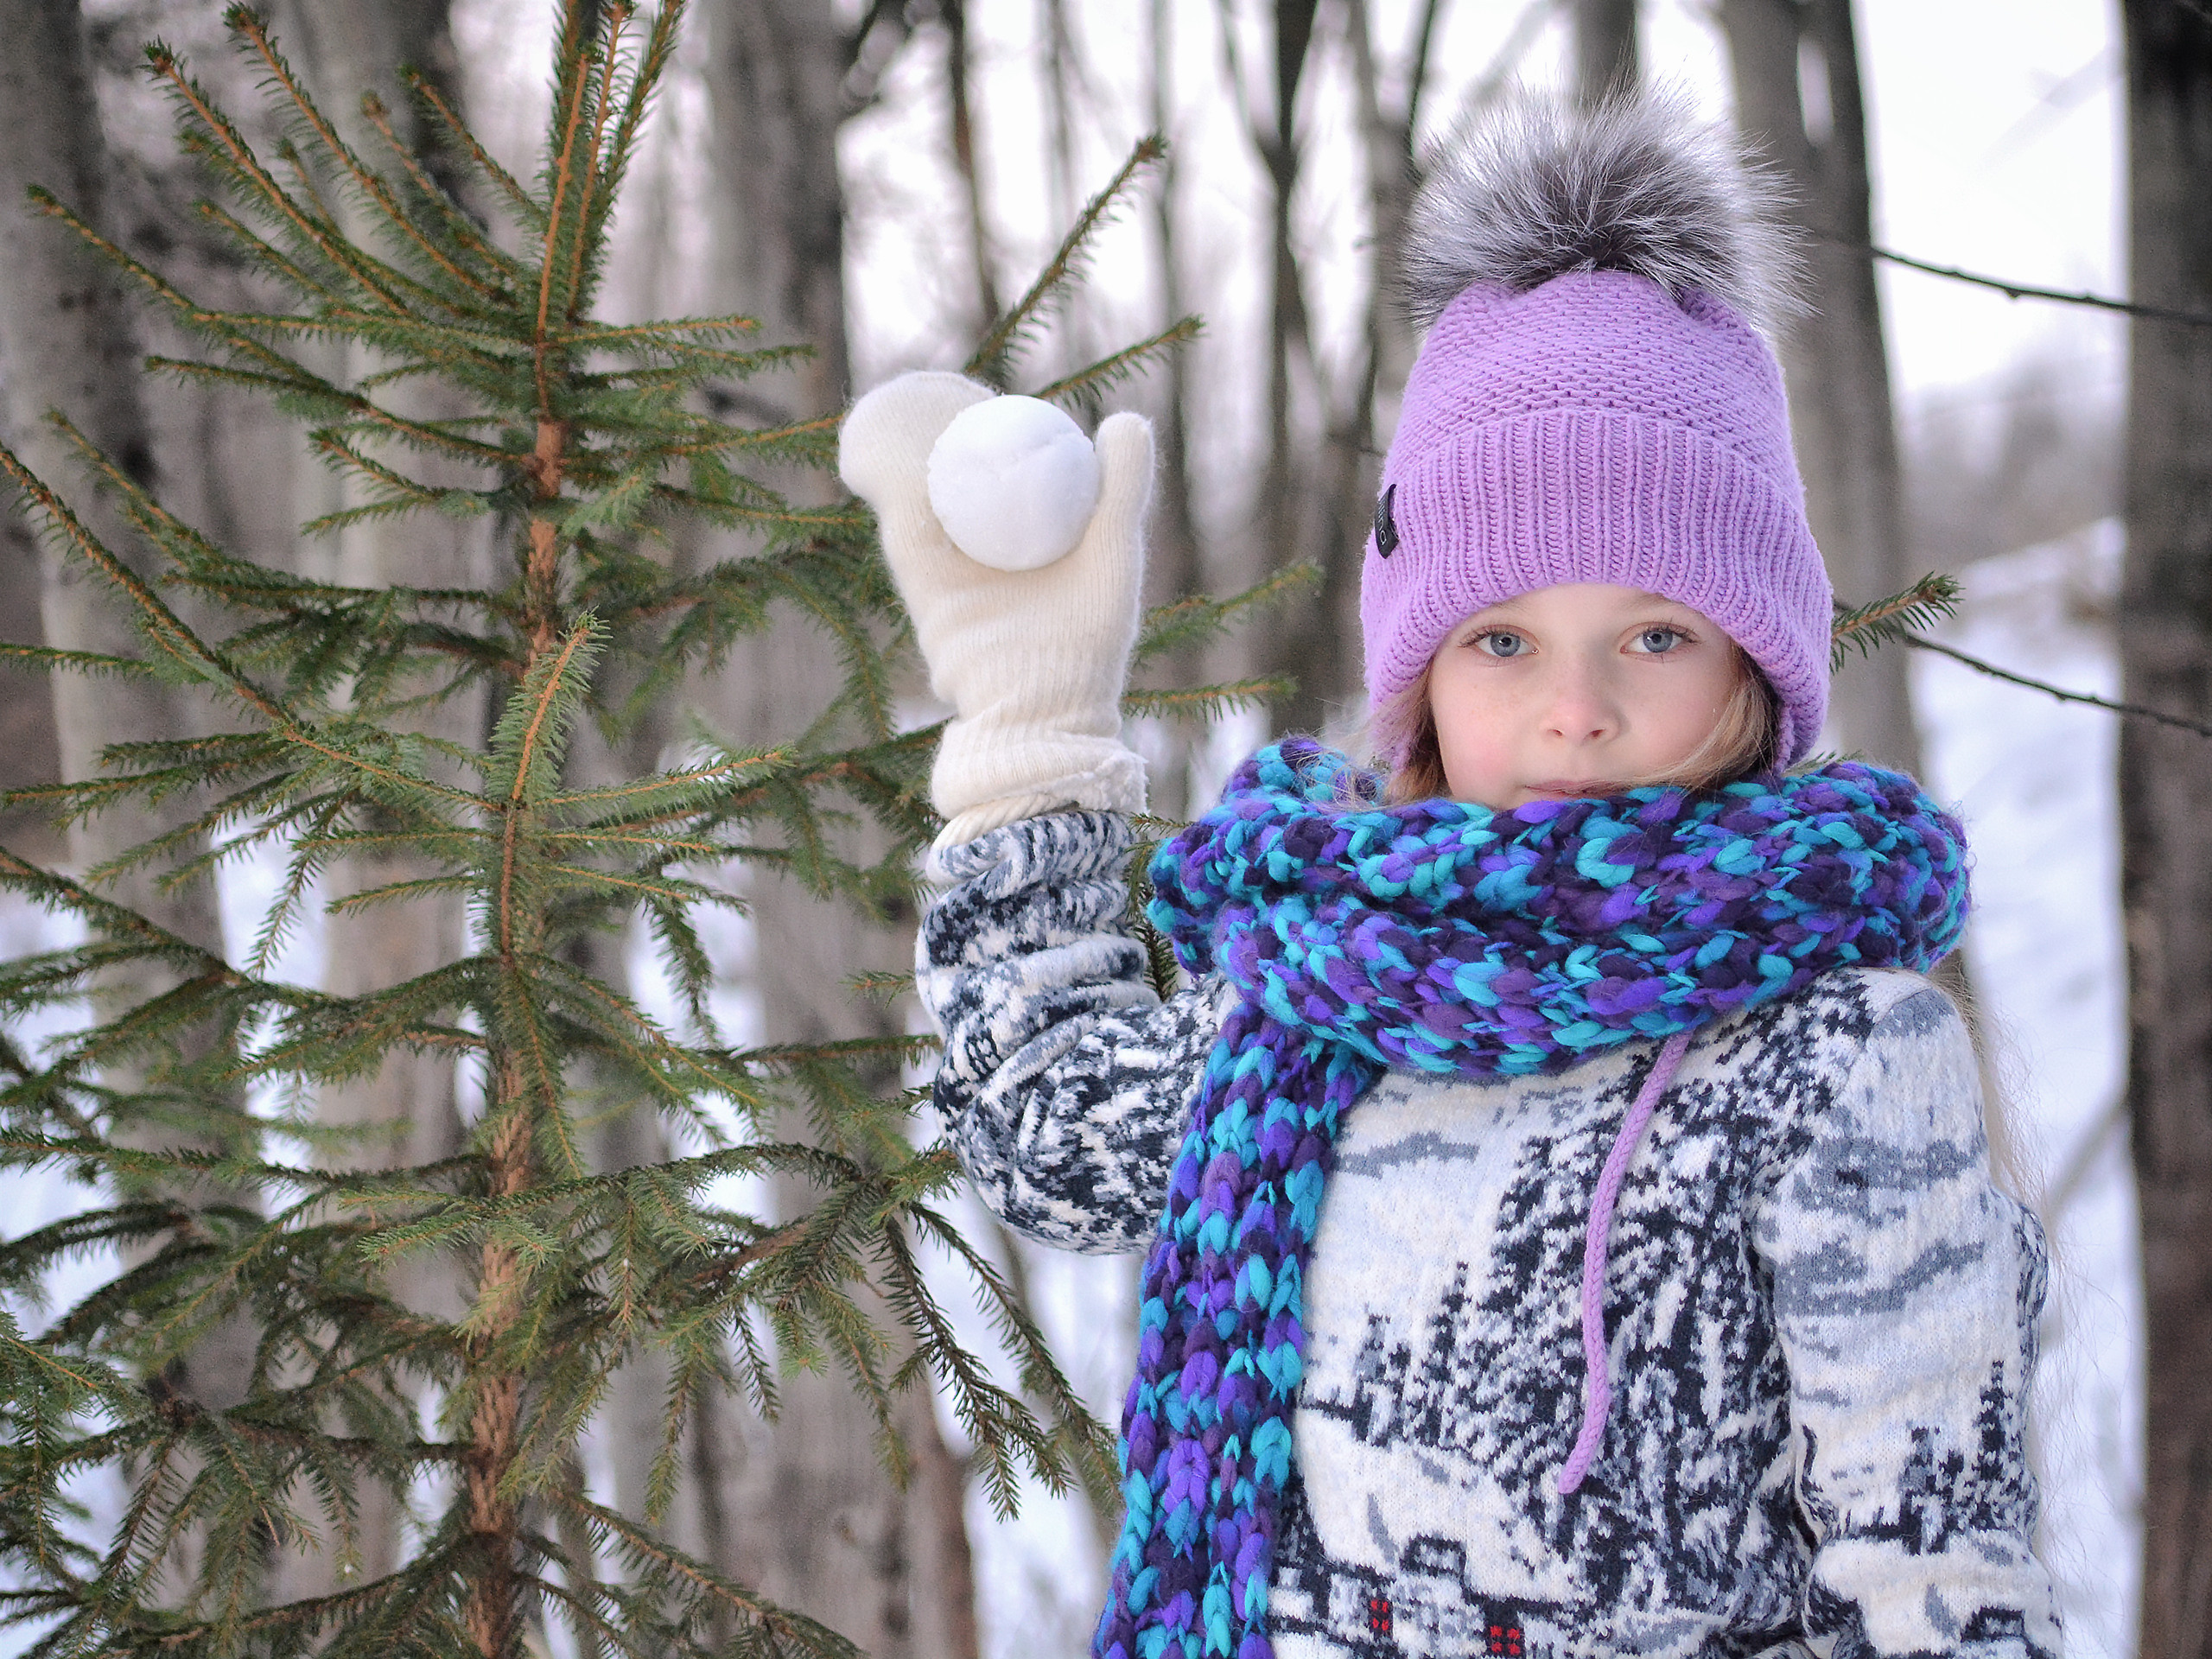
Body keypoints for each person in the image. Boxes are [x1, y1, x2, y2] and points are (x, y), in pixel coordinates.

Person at [838, 92, 2060, 1659]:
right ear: (1419, 678)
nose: (1577, 708)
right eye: (1501, 640)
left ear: (1758, 662)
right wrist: (1030, 726)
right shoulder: (1321, 993)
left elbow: (1944, 1582)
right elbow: (1050, 1136)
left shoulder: (1830, 1058)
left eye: (1655, 634)